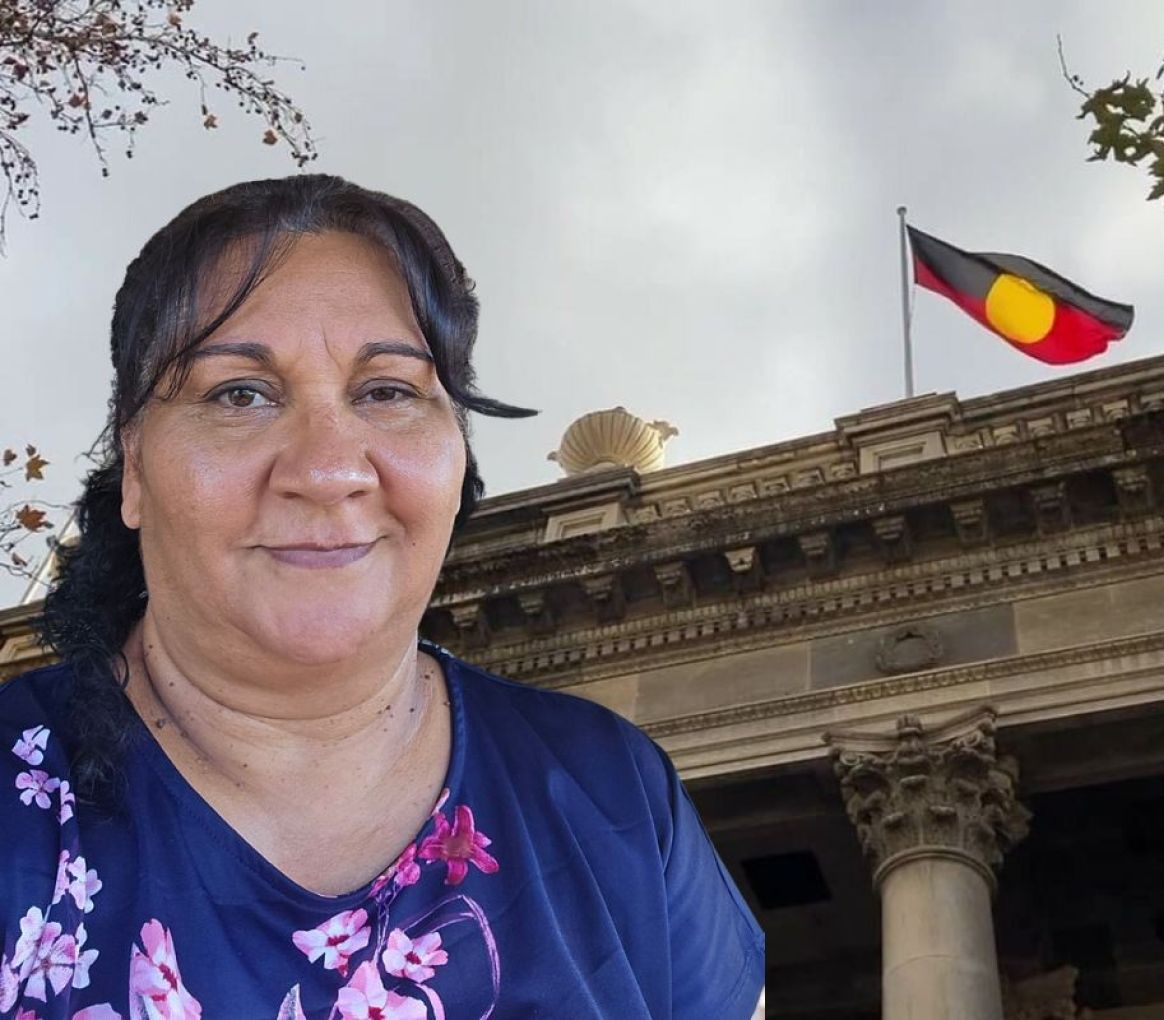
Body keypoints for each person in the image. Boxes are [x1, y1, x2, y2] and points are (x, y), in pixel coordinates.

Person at [0, 175, 765, 1019]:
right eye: (240, 394)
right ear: (134, 468)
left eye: (388, 392)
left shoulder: (615, 798)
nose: (329, 470)